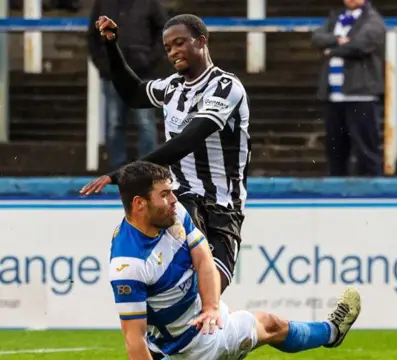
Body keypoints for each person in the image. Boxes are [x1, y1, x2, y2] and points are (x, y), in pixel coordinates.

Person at [110, 160, 362, 360]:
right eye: (164, 194)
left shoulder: (173, 214)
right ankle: (331, 331)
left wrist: (210, 306)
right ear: (139, 204)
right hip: (198, 346)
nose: (174, 199)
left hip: (200, 320)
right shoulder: (129, 265)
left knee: (267, 325)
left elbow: (204, 258)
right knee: (270, 325)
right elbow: (134, 340)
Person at [81, 14, 250, 295]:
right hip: (180, 199)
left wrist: (123, 173)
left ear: (202, 42)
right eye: (168, 47)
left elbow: (188, 140)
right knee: (173, 285)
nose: (173, 52)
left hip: (221, 205)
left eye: (180, 43)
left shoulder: (225, 87)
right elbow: (133, 93)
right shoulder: (172, 87)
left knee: (208, 292)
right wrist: (111, 45)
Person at [87, 0, 167, 170]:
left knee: (145, 122)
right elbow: (92, 36)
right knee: (115, 123)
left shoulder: (150, 3)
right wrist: (104, 64)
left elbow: (163, 30)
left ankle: (148, 168)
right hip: (113, 73)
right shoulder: (103, 4)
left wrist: (150, 60)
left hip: (142, 73)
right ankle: (119, 168)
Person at [311, 0, 385, 177]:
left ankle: (373, 194)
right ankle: (336, 194)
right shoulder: (335, 17)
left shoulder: (373, 19)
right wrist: (337, 39)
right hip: (334, 95)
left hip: (361, 95)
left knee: (366, 150)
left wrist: (332, 50)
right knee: (335, 150)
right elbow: (317, 37)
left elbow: (360, 45)